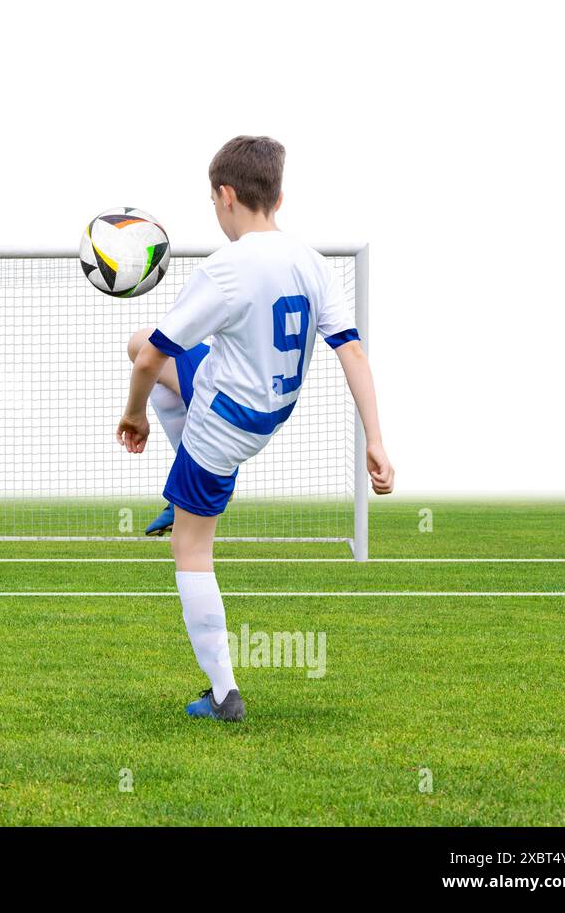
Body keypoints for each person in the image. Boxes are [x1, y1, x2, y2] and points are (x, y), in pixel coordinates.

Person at [118, 135, 394, 721]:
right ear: (278, 197)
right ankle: (179, 491)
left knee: (191, 547)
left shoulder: (225, 270)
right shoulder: (312, 262)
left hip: (223, 424)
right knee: (140, 340)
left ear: (225, 196)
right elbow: (352, 352)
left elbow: (149, 369)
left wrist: (134, 415)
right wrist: (375, 439)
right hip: (266, 405)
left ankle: (223, 694)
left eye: (212, 201)